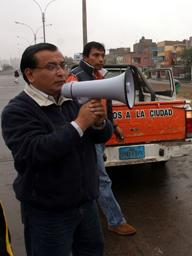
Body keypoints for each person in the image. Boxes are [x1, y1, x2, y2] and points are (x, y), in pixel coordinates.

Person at [1, 43, 113, 256]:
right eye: (51, 67)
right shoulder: (17, 111)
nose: (61, 72)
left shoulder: (71, 100)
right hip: (48, 213)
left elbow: (100, 137)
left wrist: (99, 122)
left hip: (86, 203)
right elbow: (33, 152)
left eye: (63, 65)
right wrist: (79, 124)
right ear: (30, 74)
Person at [67, 41, 136, 236]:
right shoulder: (76, 77)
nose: (100, 59)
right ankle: (115, 221)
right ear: (85, 56)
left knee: (92, 176)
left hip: (98, 132)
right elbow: (71, 110)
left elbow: (107, 106)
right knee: (102, 179)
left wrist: (113, 125)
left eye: (102, 56)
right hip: (86, 135)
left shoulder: (98, 75)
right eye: (96, 55)